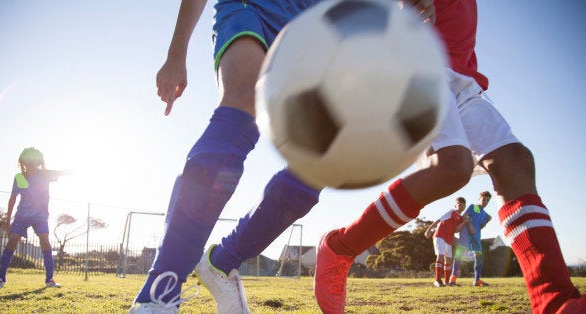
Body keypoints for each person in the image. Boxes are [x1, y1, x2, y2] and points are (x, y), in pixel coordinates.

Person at [128, 1, 437, 313]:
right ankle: (159, 292)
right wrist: (176, 53)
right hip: (252, 7)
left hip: (316, 29)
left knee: (320, 164)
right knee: (240, 110)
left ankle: (224, 261)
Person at [313, 1, 585, 313]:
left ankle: (554, 299)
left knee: (514, 162)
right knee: (452, 166)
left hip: (462, 78)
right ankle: (340, 248)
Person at [0, 147, 68, 290]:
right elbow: (12, 199)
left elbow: (61, 172)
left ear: (39, 162)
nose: (31, 162)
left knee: (45, 241)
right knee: (12, 243)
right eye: (28, 160)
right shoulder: (19, 177)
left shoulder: (45, 175)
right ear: (23, 161)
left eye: (34, 160)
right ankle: (0, 278)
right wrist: (7, 222)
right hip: (22, 216)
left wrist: (77, 171)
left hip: (40, 216)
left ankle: (50, 279)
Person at [424, 196, 472, 287]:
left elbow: (457, 230)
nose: (461, 207)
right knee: (440, 256)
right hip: (440, 236)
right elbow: (439, 220)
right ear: (455, 205)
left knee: (449, 259)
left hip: (448, 239)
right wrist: (429, 229)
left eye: (463, 205)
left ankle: (447, 282)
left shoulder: (461, 218)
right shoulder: (452, 212)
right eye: (459, 205)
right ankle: (437, 280)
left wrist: (465, 222)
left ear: (464, 207)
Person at [450, 191, 491, 286]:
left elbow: (480, 226)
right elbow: (464, 216)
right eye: (483, 199)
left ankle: (477, 280)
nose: (485, 202)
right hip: (466, 233)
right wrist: (470, 226)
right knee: (459, 255)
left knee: (479, 257)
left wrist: (487, 221)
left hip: (476, 236)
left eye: (487, 201)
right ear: (479, 199)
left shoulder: (485, 214)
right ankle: (453, 279)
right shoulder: (474, 207)